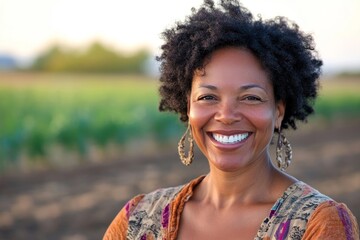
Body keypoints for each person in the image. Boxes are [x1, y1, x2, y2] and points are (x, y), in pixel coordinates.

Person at [103, 0, 359, 239]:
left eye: (250, 97)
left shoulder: (319, 224)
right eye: (207, 97)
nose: (226, 115)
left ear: (278, 111)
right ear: (187, 107)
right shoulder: (137, 220)